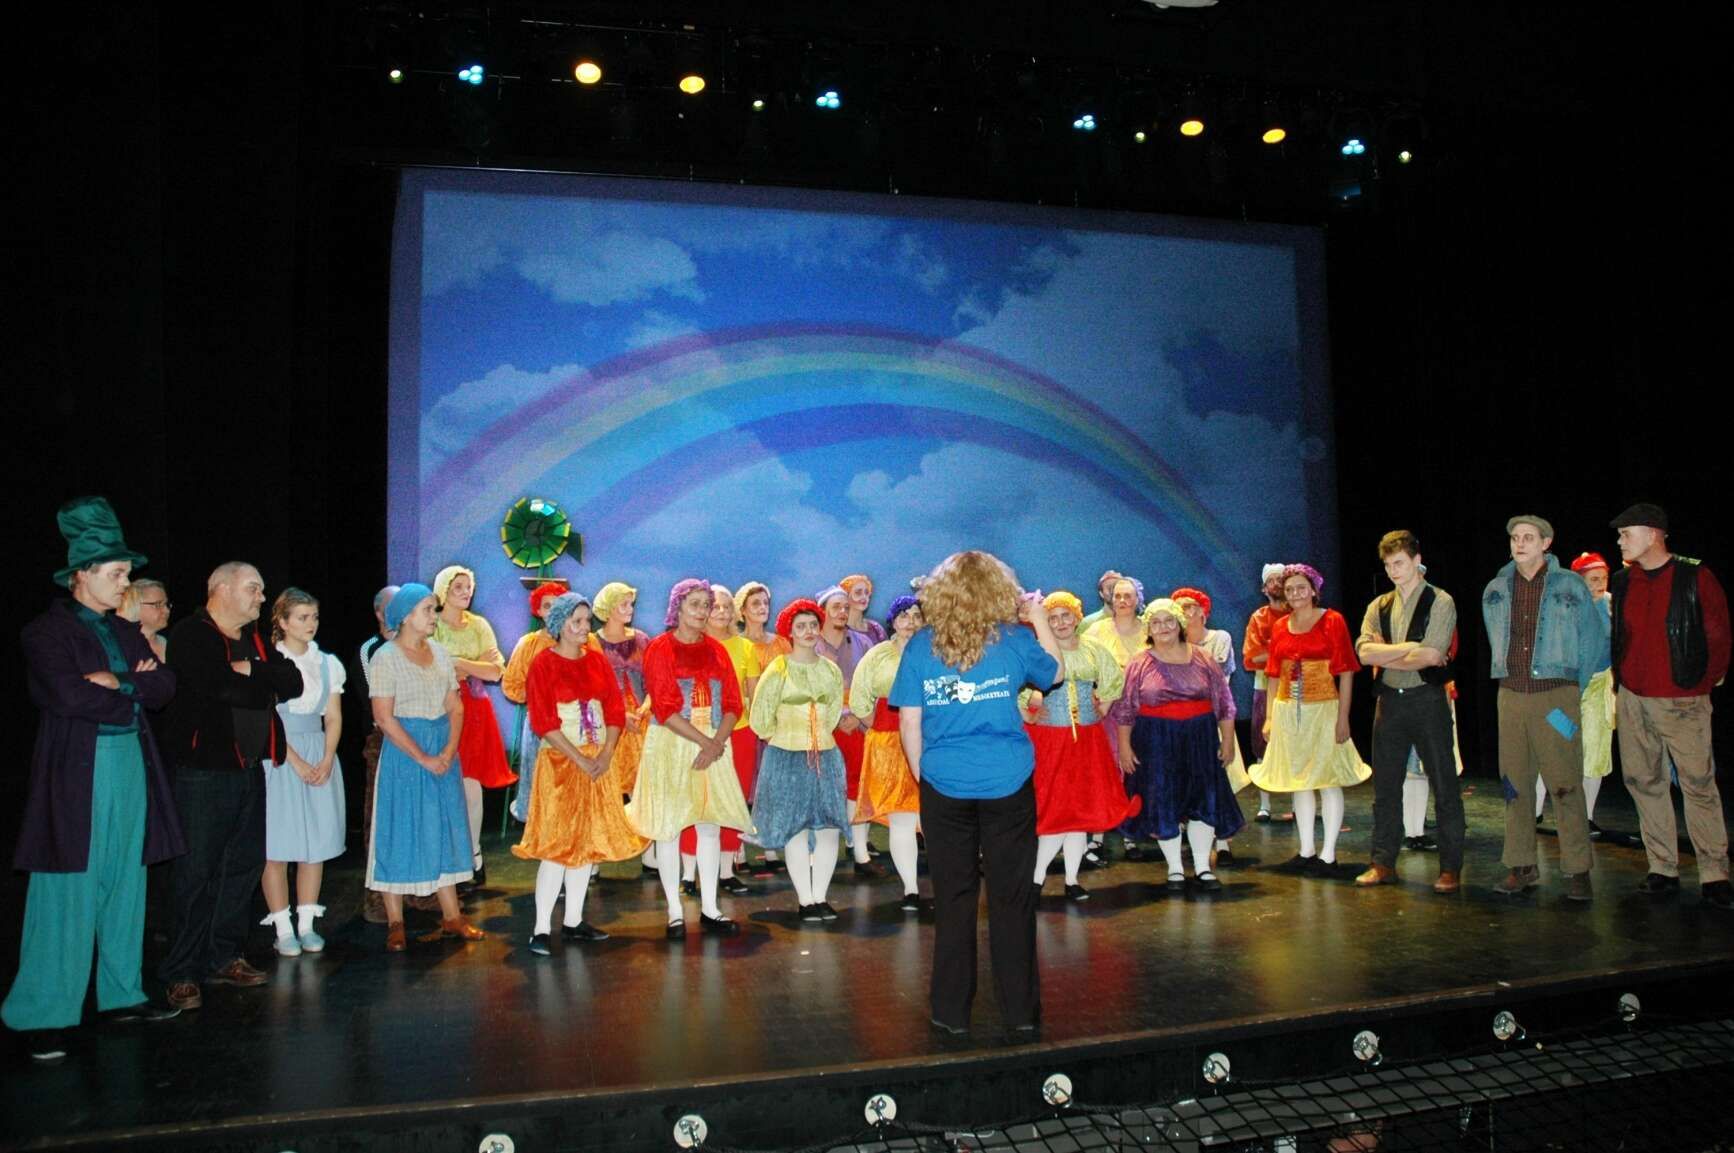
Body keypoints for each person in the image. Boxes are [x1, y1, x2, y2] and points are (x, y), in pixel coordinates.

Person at [5, 498, 185, 1063]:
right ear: (82, 575)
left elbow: (165, 687)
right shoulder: (45, 633)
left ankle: (121, 995)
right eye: (117, 573)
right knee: (68, 889)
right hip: (77, 773)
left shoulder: (124, 632)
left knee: (126, 882)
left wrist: (119, 682)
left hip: (129, 764)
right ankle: (43, 1013)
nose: (125, 583)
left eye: (126, 573)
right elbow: (68, 696)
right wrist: (131, 685)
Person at [889, 551, 1060, 1036]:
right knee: (1012, 900)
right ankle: (1021, 1013)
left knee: (953, 900)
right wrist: (1038, 617)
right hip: (1008, 783)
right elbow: (1055, 673)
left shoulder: (920, 647)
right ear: (998, 591)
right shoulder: (1014, 640)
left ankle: (950, 1013)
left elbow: (909, 722)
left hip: (944, 786)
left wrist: (926, 778)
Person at [159, 561, 303, 1010]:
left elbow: (293, 681)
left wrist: (251, 670)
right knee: (196, 873)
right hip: (204, 774)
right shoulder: (191, 635)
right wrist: (261, 681)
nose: (262, 597)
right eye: (253, 589)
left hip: (249, 771)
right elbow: (218, 687)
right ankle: (183, 971)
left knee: (242, 866)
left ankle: (225, 956)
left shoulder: (255, 640)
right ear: (221, 589)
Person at [1608, 503, 1732, 909]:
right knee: (1644, 781)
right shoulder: (1623, 580)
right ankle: (1662, 867)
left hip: (1682, 700)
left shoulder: (1695, 576)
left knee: (1698, 784)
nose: (1620, 541)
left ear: (1653, 535)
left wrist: (1700, 684)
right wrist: (1621, 685)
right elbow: (1621, 635)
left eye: (1626, 533)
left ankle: (1714, 873)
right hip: (1633, 698)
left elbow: (1718, 635)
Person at [1481, 515, 1608, 901]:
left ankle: (1577, 869)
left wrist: (1571, 687)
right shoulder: (1496, 588)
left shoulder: (1569, 584)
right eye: (1514, 538)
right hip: (1511, 698)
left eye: (1528, 538)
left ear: (1546, 543)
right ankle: (1521, 864)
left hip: (1556, 700)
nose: (1519, 544)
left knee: (1565, 782)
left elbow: (1593, 640)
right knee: (1514, 784)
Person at [511, 591, 644, 954]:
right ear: (560, 624)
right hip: (560, 763)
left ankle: (573, 921)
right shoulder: (543, 664)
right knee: (557, 847)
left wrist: (606, 753)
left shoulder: (596, 661)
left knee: (586, 844)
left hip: (597, 762)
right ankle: (541, 928)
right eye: (578, 621)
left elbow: (614, 710)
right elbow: (544, 722)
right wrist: (579, 759)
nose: (585, 628)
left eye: (587, 621)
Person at [624, 580, 755, 937]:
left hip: (712, 742)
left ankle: (711, 908)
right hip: (673, 742)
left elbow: (732, 703)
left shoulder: (716, 650)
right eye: (694, 604)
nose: (702, 611)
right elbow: (665, 708)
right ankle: (674, 912)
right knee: (669, 828)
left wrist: (716, 742)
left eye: (706, 605)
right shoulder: (660, 648)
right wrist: (706, 743)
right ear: (678, 607)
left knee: (709, 826)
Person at [366, 584, 482, 951]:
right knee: (400, 830)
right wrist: (423, 756)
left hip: (441, 747)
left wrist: (447, 751)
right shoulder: (386, 657)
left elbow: (455, 706)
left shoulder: (441, 654)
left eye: (434, 609)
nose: (434, 616)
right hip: (406, 754)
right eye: (428, 609)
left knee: (444, 827)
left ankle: (452, 916)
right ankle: (396, 922)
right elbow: (384, 717)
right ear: (405, 616)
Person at [1353, 531, 1464, 894]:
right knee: (1385, 787)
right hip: (1389, 701)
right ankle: (1383, 862)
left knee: (1444, 785)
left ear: (1417, 560)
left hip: (1426, 699)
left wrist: (1388, 652)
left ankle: (1450, 867)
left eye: (1399, 563)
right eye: (1388, 565)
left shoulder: (1440, 600)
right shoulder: (1379, 605)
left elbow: (1432, 655)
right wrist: (1409, 649)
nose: (1393, 571)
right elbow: (1363, 652)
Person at [1111, 599, 1242, 892]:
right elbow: (1126, 709)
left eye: (1168, 621)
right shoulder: (1139, 662)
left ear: (1180, 624)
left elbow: (1224, 703)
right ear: (1148, 629)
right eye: (1156, 623)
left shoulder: (1203, 657)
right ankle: (1175, 869)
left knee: (1203, 800)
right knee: (1163, 802)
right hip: (1155, 743)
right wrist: (1124, 747)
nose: (1163, 628)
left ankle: (1203, 867)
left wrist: (1228, 740)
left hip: (1200, 740)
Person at [1249, 564, 1369, 876]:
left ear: (1314, 589)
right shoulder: (1280, 626)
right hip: (1288, 711)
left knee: (1327, 779)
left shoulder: (1332, 620)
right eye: (1289, 589)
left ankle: (1328, 854)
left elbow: (1346, 671)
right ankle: (1306, 850)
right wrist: (1270, 717)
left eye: (1301, 587)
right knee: (1299, 780)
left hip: (1323, 708)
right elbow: (1273, 674)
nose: (1295, 594)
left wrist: (1343, 718)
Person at [1024, 591, 1138, 901]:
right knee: (1057, 810)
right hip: (1051, 742)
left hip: (1087, 742)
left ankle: (1071, 880)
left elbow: (1113, 679)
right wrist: (1029, 708)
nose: (1060, 623)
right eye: (1053, 618)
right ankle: (1036, 879)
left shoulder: (1093, 649)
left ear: (1077, 618)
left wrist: (1105, 705)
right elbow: (1018, 687)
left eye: (1066, 616)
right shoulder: (1039, 652)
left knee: (1078, 811)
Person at [750, 598, 851, 920]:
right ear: (790, 632)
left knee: (829, 828)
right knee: (796, 829)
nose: (808, 631)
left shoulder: (830, 670)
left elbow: (832, 713)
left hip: (826, 758)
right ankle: (805, 900)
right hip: (786, 758)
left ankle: (820, 896)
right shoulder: (778, 668)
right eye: (801, 626)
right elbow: (760, 718)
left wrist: (819, 740)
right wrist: (784, 741)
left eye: (812, 625)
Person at [259, 588, 346, 956]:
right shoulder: (268, 662)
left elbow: (333, 716)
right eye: (302, 617)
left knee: (314, 844)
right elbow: (266, 718)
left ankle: (307, 924)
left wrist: (326, 758)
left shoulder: (327, 663)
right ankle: (283, 929)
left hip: (317, 751)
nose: (311, 624)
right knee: (277, 846)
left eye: (314, 617)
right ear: (282, 621)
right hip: (280, 754)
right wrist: (293, 760)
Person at [431, 565, 514, 883]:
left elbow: (495, 670)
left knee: (470, 786)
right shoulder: (433, 624)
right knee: (444, 784)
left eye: (469, 587)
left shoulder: (479, 625)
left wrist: (459, 663)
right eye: (459, 587)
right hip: (439, 708)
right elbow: (432, 667)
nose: (466, 592)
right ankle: (447, 857)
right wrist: (469, 666)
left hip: (475, 709)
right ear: (444, 591)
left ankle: (473, 855)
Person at [679, 585, 759, 895]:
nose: (722, 613)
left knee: (732, 801)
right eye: (715, 607)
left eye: (727, 607)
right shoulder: (690, 645)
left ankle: (726, 870)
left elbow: (754, 694)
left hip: (739, 732)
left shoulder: (745, 647)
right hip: (699, 733)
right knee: (695, 802)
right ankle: (689, 873)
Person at [850, 594, 928, 909]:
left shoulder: (936, 652)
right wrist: (880, 726)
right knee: (902, 819)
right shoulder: (877, 655)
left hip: (930, 742)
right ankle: (911, 888)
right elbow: (860, 698)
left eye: (917, 616)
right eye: (904, 615)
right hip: (888, 747)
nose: (911, 622)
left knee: (934, 816)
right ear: (893, 621)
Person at [1537, 552, 1616, 835]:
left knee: (1594, 752)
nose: (1599, 584)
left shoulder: (1611, 605)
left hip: (1597, 688)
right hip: (1565, 688)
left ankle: (1585, 816)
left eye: (1603, 579)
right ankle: (1534, 811)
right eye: (1593, 579)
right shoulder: (1564, 606)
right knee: (1555, 748)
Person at [815, 584, 879, 876]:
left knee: (858, 785)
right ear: (823, 612)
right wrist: (836, 716)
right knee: (824, 788)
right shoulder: (812, 644)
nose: (842, 612)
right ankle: (818, 855)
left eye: (845, 607)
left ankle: (860, 851)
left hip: (857, 726)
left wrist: (856, 715)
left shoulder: (864, 643)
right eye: (836, 607)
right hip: (824, 728)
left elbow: (873, 684)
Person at [591, 581, 655, 871]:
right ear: (608, 608)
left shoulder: (641, 639)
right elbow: (592, 687)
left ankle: (648, 851)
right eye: (624, 604)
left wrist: (645, 707)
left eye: (631, 604)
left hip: (641, 721)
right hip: (609, 723)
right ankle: (596, 854)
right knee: (605, 788)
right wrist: (617, 715)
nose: (630, 609)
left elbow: (653, 679)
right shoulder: (592, 642)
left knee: (644, 788)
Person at [503, 581, 569, 823]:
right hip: (540, 723)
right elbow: (511, 686)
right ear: (538, 611)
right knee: (538, 777)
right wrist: (540, 696)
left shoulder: (585, 641)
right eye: (547, 606)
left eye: (558, 605)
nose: (553, 610)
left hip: (576, 720)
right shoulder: (529, 644)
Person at [358, 584, 398, 924]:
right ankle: (378, 899)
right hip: (384, 741)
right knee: (380, 823)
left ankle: (422, 893)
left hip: (418, 739)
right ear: (379, 612)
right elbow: (375, 698)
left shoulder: (418, 647)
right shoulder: (371, 649)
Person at [1242, 563, 1292, 823]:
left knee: (1297, 746)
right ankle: (1265, 805)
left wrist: (1272, 649)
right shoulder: (1259, 618)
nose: (1276, 584)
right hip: (1264, 688)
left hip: (1298, 689)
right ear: (1264, 588)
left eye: (1280, 579)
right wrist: (1286, 649)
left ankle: (1300, 802)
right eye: (1271, 580)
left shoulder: (1300, 614)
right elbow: (1252, 658)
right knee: (1263, 745)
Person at [117, 578, 171, 663]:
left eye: (166, 604)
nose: (167, 610)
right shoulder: (118, 647)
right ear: (133, 605)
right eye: (158, 604)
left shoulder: (170, 643)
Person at [841, 574, 888, 644]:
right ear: (845, 596)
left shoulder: (876, 629)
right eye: (858, 593)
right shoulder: (839, 630)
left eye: (866, 593)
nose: (864, 597)